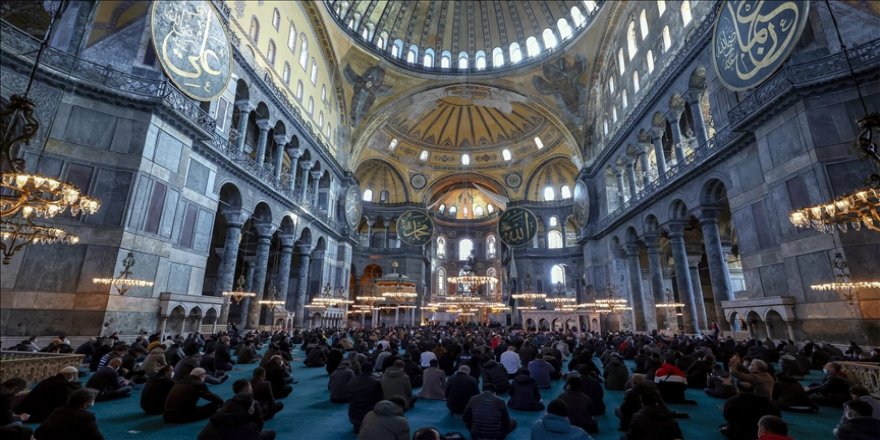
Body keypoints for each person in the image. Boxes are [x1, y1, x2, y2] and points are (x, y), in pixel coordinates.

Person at [197, 392, 276, 440]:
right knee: (271, 433)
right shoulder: (241, 418)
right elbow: (257, 429)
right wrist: (256, 414)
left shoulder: (222, 412)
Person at [15, 365, 81, 422]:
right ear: (72, 375)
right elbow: (61, 404)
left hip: (26, 408)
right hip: (38, 412)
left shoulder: (49, 380)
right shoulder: (63, 385)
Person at [34, 388, 104, 440]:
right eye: (93, 400)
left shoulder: (60, 409)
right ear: (86, 404)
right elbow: (96, 437)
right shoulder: (86, 417)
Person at [347, 362, 384, 434]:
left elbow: (349, 397)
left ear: (361, 369)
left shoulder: (352, 380)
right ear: (371, 370)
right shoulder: (375, 382)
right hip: (370, 415)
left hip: (353, 414)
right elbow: (380, 400)